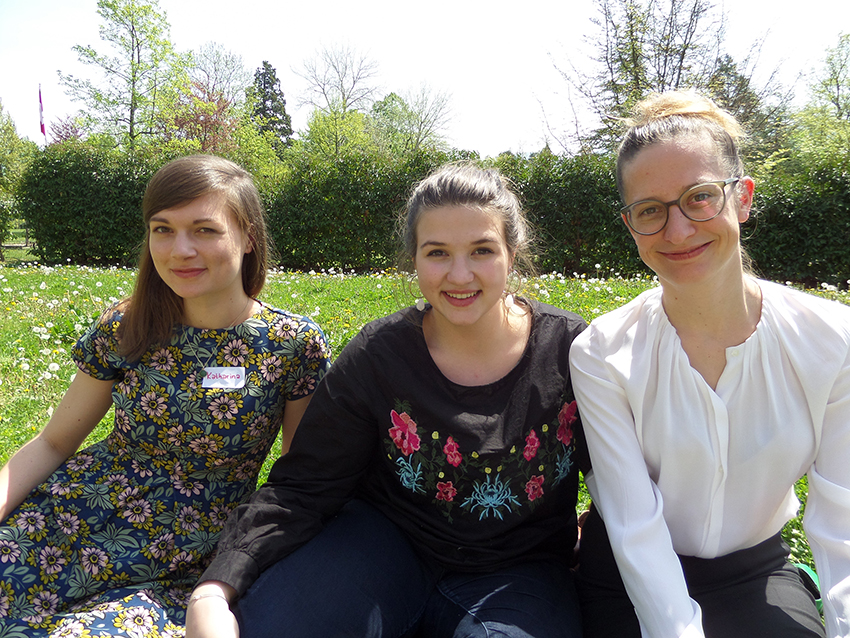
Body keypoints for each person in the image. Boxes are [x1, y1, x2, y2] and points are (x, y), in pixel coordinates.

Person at [185, 162, 589, 638]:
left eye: (482, 250)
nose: (460, 275)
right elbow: (305, 486)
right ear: (413, 258)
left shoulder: (571, 351)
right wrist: (215, 587)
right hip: (382, 547)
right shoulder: (378, 356)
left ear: (512, 252)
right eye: (437, 252)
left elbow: (626, 485)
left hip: (520, 571)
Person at [0, 155, 331, 636]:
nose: (180, 249)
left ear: (248, 237)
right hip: (70, 521)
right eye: (162, 229)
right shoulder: (127, 325)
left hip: (184, 560)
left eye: (204, 230)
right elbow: (53, 443)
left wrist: (235, 576)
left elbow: (298, 480)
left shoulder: (291, 345)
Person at [569, 90, 850, 637]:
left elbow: (844, 523)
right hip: (627, 577)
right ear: (631, 224)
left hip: (755, 573)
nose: (677, 231)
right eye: (650, 210)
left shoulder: (833, 341)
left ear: (741, 198)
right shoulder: (602, 353)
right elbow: (634, 526)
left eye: (700, 198)